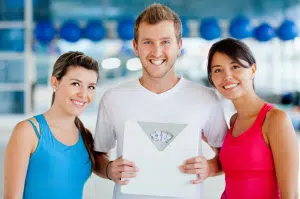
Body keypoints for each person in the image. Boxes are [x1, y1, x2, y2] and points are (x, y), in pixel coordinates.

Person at [93, 3, 228, 199]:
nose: (157, 52)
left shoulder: (205, 99)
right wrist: (109, 169)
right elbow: (98, 156)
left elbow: (229, 157)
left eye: (165, 42)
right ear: (135, 46)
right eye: (148, 42)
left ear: (179, 46)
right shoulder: (113, 99)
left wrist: (209, 167)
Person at [207, 38, 299, 199]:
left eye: (235, 67)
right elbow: (236, 166)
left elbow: (290, 195)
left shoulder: (275, 120)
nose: (227, 76)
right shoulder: (234, 120)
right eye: (217, 70)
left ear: (253, 70)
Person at [4, 51, 99, 199]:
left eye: (91, 87)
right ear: (55, 83)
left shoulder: (85, 135)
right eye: (75, 84)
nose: (83, 94)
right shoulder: (28, 132)